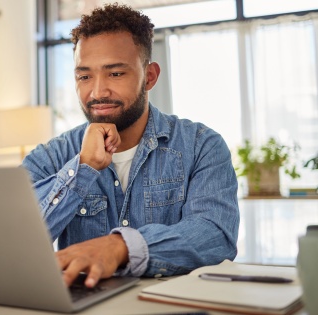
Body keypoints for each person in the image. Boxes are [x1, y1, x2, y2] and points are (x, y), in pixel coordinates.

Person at [22, 3, 240, 288]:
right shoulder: (51, 157)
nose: (98, 91)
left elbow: (215, 236)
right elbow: (14, 242)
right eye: (84, 76)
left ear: (149, 76)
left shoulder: (201, 145)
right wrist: (82, 169)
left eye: (115, 74)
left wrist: (120, 248)